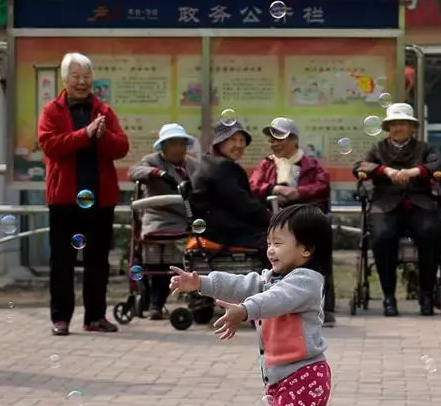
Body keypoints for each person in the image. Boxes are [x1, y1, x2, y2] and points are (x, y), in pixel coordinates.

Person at [167, 204, 363, 406]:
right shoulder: (270, 277)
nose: (271, 250)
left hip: (306, 375)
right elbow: (240, 284)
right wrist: (199, 282)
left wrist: (244, 310)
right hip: (279, 377)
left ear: (306, 249)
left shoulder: (306, 281)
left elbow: (275, 300)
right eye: (269, 242)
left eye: (280, 243)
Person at [38, 52, 130, 336]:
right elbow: (50, 146)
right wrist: (85, 135)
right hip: (64, 199)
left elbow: (122, 147)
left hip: (100, 199)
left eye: (86, 76)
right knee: (62, 262)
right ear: (64, 80)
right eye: (76, 76)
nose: (82, 82)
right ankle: (60, 318)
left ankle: (95, 317)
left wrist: (103, 137)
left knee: (98, 260)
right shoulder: (52, 110)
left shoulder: (104, 110)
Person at [353, 102, 441, 317]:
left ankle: (426, 294)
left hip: (419, 204)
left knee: (429, 233)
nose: (398, 128)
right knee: (383, 237)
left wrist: (414, 171)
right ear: (388, 127)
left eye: (403, 124)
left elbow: (439, 166)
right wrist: (387, 171)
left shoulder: (425, 148)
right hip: (385, 205)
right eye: (394, 124)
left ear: (412, 127)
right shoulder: (378, 149)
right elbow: (358, 166)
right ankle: (388, 296)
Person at [249, 118, 336, 327]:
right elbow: (253, 186)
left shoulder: (311, 164)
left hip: (304, 222)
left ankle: (326, 307)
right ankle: (267, 305)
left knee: (318, 256)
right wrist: (273, 189)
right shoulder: (266, 164)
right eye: (271, 139)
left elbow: (322, 186)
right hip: (274, 221)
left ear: (294, 139)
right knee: (268, 256)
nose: (274, 143)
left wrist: (298, 193)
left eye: (279, 138)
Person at [128, 123, 198, 320]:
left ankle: (187, 300)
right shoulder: (151, 161)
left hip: (186, 219)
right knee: (159, 259)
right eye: (173, 143)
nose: (179, 148)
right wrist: (158, 174)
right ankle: (154, 303)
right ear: (163, 146)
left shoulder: (192, 165)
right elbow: (133, 172)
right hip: (158, 218)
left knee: (182, 256)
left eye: (182, 143)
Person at [189, 120, 270, 258]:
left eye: (242, 140)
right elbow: (242, 204)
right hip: (226, 234)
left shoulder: (208, 162)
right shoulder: (224, 167)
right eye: (232, 140)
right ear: (220, 142)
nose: (238, 145)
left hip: (213, 230)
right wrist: (272, 217)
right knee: (280, 245)